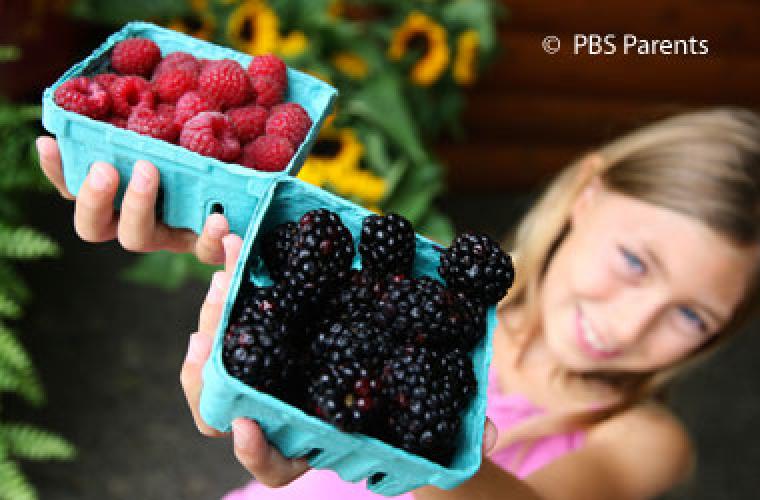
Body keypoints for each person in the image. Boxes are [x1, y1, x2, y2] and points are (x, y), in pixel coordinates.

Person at [37, 107, 760, 499]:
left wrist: (427, 446)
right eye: (635, 262)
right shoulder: (433, 296)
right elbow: (301, 293)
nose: (630, 323)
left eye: (692, 316)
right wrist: (219, 236)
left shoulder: (643, 441)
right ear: (587, 193)